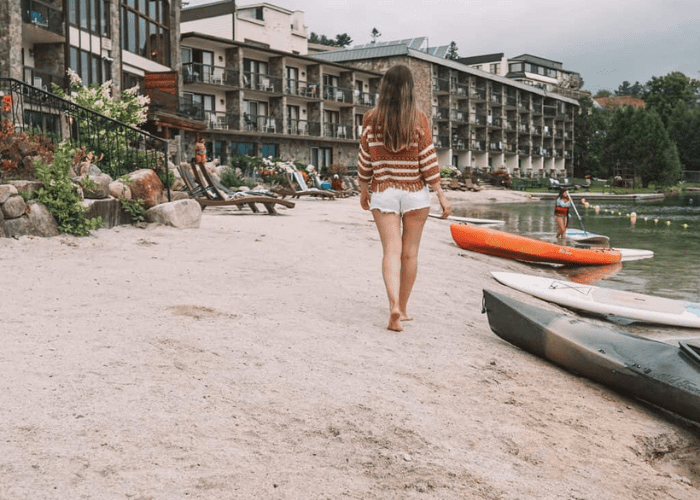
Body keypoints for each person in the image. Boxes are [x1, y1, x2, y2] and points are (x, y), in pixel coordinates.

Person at [357, 64, 451, 332]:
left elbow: (365, 157)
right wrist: (441, 195)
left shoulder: (370, 118)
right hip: (415, 194)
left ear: (384, 87)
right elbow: (428, 160)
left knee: (391, 252)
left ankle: (393, 306)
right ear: (410, 88)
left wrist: (364, 188)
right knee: (410, 254)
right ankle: (404, 309)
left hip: (384, 192)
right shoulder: (419, 118)